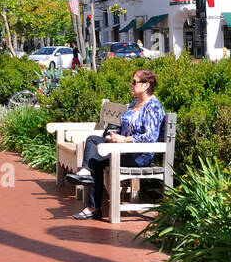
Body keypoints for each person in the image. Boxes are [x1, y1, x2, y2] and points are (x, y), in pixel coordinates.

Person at [67, 68, 165, 220]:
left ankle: (93, 206)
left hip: (139, 155)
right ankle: (86, 174)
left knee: (96, 162)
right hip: (122, 148)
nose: (131, 85)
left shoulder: (153, 106)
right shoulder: (135, 102)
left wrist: (124, 140)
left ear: (146, 85)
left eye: (134, 82)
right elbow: (124, 126)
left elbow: (151, 136)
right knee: (93, 140)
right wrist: (115, 135)